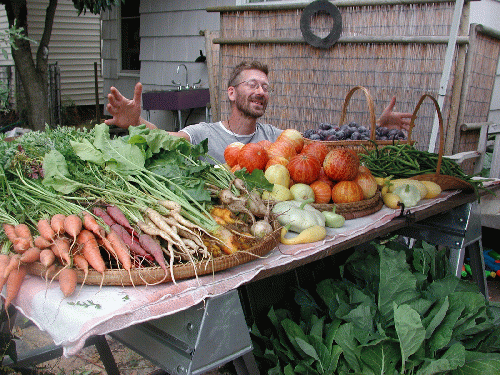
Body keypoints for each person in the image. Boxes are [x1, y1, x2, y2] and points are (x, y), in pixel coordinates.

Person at [105, 60, 412, 164]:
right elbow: (166, 138)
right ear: (232, 93)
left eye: (265, 87)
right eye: (252, 84)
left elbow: (328, 146)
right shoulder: (204, 133)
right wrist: (136, 124)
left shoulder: (275, 137)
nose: (261, 91)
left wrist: (377, 130)